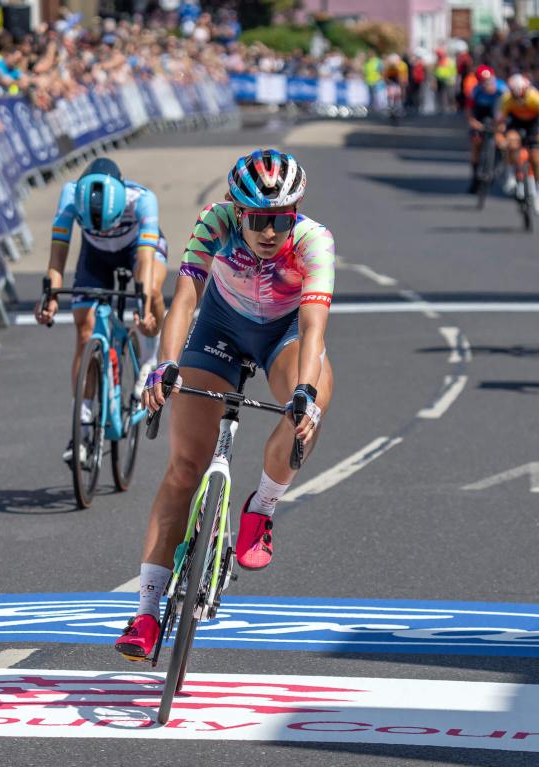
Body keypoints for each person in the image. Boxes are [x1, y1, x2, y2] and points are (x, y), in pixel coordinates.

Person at [114, 150, 335, 660]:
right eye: (257, 219)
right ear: (238, 211)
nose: (269, 231)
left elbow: (313, 328)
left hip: (282, 335)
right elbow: (185, 300)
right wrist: (164, 367)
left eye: (281, 219)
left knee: (314, 398)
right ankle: (146, 613)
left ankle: (263, 505)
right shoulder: (213, 223)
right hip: (217, 330)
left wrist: (304, 393)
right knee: (184, 468)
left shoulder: (313, 241)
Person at [34, 157, 167, 464]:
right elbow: (57, 257)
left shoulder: (143, 200)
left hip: (138, 251)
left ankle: (150, 355)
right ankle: (81, 428)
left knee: (153, 290)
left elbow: (145, 263)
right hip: (95, 257)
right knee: (84, 330)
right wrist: (51, 297)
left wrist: (144, 304)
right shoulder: (70, 197)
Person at [498, 73, 539, 216]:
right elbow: (500, 120)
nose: (519, 100)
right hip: (515, 122)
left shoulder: (535, 97)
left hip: (534, 123)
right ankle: (511, 173)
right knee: (511, 142)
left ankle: (538, 193)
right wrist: (500, 134)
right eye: (515, 97)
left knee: (536, 158)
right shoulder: (507, 98)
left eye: (521, 96)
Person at [466, 65, 507, 194]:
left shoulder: (503, 89)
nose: (488, 84)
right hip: (481, 114)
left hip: (499, 114)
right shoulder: (476, 91)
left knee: (501, 141)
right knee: (476, 141)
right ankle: (475, 176)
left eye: (490, 81)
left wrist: (503, 125)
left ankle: (497, 165)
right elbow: (469, 111)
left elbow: (509, 110)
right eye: (484, 82)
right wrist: (473, 122)